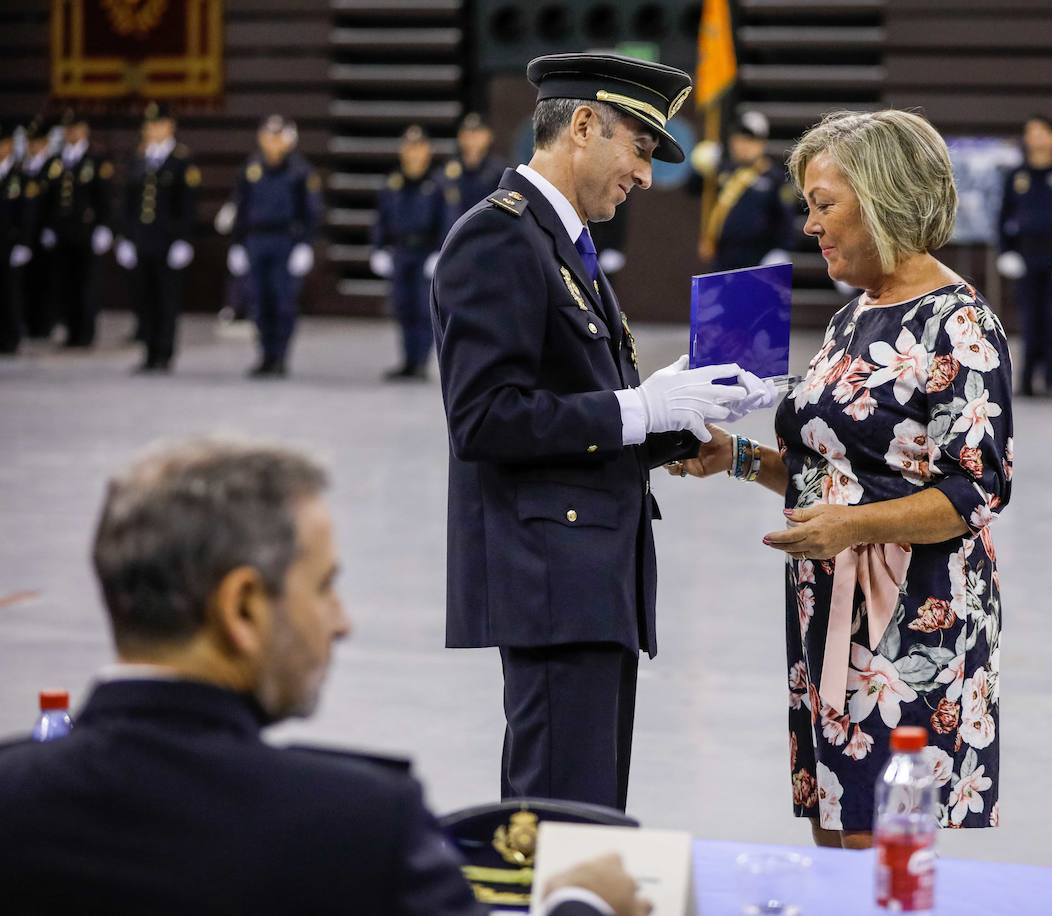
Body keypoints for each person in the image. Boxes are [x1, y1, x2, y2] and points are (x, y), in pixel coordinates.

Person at [0, 438, 652, 916]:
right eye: (324, 587)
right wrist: (581, 906)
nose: (340, 622)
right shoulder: (357, 829)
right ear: (244, 608)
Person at [431, 51, 770, 811]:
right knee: (559, 818)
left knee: (590, 815)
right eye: (640, 148)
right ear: (584, 125)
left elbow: (586, 410)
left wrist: (682, 412)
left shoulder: (568, 248)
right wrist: (640, 408)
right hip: (550, 577)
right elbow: (484, 418)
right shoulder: (499, 239)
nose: (646, 175)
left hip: (591, 576)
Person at [672, 109, 1013, 847]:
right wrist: (736, 457)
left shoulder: (958, 325)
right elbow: (839, 473)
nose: (809, 226)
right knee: (835, 828)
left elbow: (976, 489)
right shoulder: (854, 315)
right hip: (829, 604)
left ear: (885, 197)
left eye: (824, 205)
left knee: (884, 845)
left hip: (914, 620)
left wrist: (851, 529)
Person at [995, 114, 1052, 398]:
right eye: (1029, 132)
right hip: (1026, 257)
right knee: (1029, 320)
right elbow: (1004, 216)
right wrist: (1007, 251)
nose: (1033, 138)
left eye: (1040, 131)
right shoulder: (1017, 175)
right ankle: (1025, 379)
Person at [226, 114, 323, 378]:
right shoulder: (251, 168)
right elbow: (240, 207)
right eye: (268, 136)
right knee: (259, 301)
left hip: (285, 241)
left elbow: (313, 212)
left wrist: (305, 245)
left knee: (283, 302)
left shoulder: (300, 171)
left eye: (278, 137)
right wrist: (237, 244)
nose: (273, 143)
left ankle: (280, 356)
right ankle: (265, 355)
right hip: (256, 240)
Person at [115, 102, 199, 373]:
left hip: (168, 241)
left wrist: (184, 240)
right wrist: (124, 237)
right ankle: (148, 352)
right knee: (144, 298)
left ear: (170, 126)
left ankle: (164, 353)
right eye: (149, 125)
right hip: (141, 240)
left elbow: (188, 204)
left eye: (158, 124)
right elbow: (128, 201)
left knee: (166, 299)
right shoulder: (139, 158)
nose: (153, 130)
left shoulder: (181, 160)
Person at [371, 125, 449, 380]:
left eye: (418, 147)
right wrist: (378, 248)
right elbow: (381, 219)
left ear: (427, 151)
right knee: (402, 306)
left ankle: (420, 362)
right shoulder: (393, 183)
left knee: (422, 308)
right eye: (409, 147)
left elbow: (448, 219)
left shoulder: (437, 184)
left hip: (425, 252)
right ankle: (407, 359)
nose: (413, 153)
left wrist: (440, 252)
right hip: (401, 251)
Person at [691, 109, 795, 271]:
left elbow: (785, 221)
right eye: (740, 138)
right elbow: (694, 190)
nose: (744, 145)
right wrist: (699, 167)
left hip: (757, 259)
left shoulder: (774, 178)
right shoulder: (721, 169)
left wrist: (781, 251)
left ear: (762, 144)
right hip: (723, 258)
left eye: (751, 140)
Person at [49, 109, 115, 349]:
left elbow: (105, 196)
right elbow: (52, 196)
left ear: (84, 130)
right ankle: (71, 331)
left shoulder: (96, 157)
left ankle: (86, 333)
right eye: (68, 129)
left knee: (87, 285)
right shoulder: (58, 159)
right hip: (64, 231)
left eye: (75, 128)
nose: (71, 133)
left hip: (88, 231)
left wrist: (105, 227)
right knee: (67, 284)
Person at [10, 117, 60, 341]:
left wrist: (52, 227)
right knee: (25, 282)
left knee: (46, 280)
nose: (33, 146)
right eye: (31, 142)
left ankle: (44, 323)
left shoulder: (54, 166)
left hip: (45, 231)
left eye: (38, 142)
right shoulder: (21, 167)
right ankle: (27, 322)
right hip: (23, 232)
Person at [444, 112, 507, 228]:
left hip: (488, 232)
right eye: (468, 133)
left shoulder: (499, 172)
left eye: (477, 133)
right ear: (460, 137)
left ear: (488, 136)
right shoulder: (449, 172)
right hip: (457, 232)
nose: (472, 139)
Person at [1, 120, 25, 354]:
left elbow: (27, 212)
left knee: (10, 293)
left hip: (10, 242)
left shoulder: (18, 175)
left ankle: (11, 337)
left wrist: (23, 242)